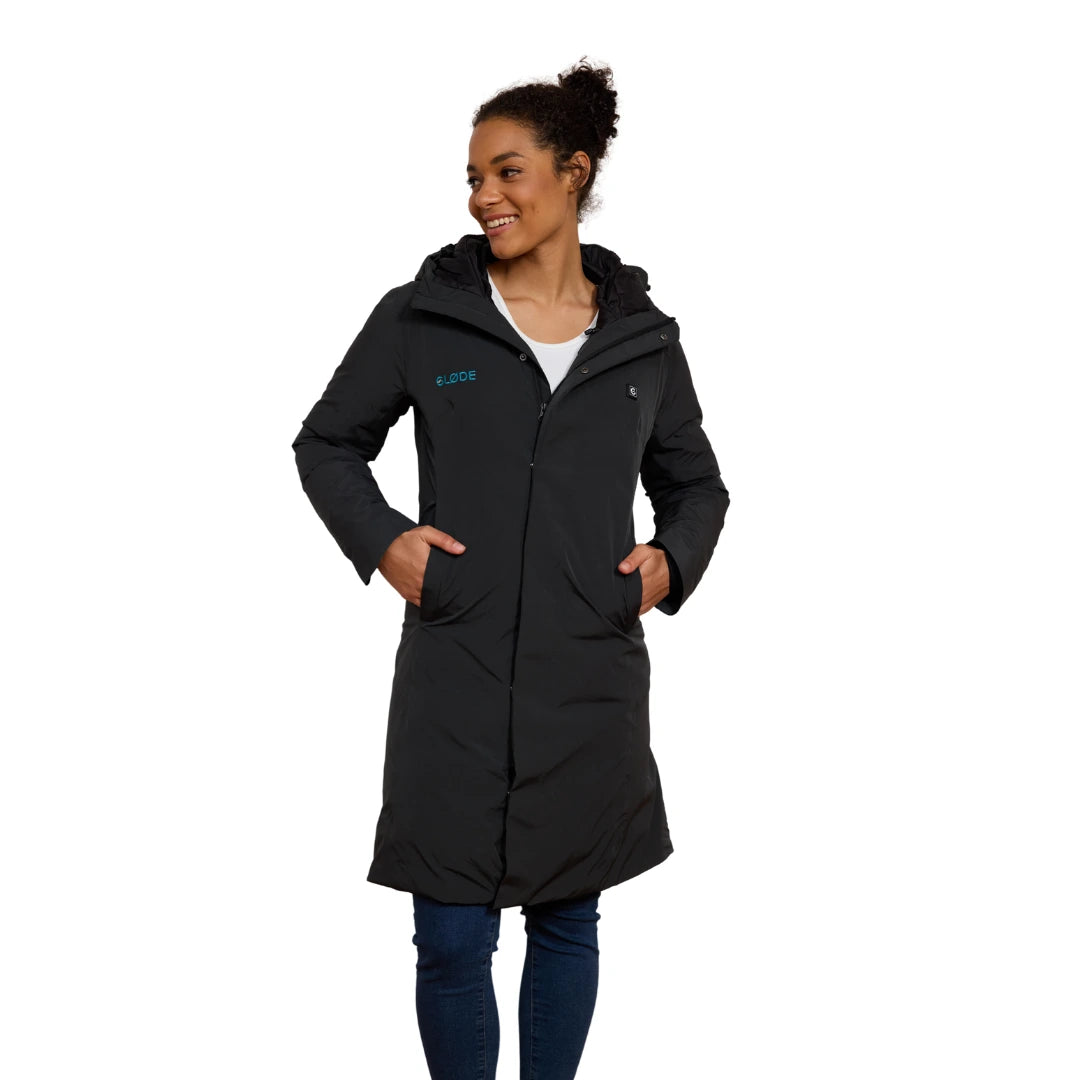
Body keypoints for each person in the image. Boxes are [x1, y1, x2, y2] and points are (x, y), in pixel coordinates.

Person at [292, 57, 730, 1080]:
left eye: (508, 171)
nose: (484, 195)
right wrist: (383, 539)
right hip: (458, 667)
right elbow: (327, 443)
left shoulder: (642, 341)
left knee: (567, 918)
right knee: (450, 938)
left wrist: (667, 564)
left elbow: (698, 486)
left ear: (574, 173)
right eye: (473, 177)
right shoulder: (424, 316)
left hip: (589, 673)